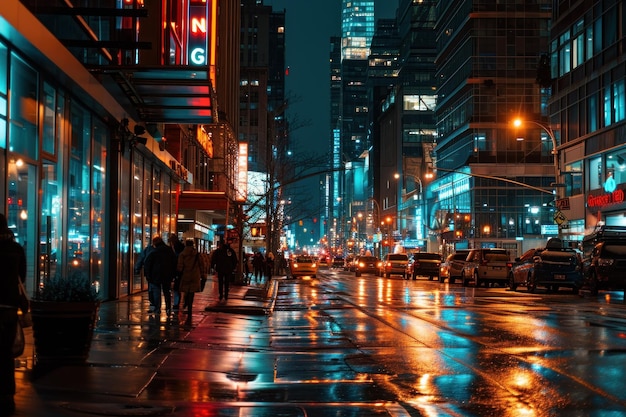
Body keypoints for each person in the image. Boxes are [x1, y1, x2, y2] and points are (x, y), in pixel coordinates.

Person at [0, 213, 27, 416]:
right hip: (8, 307)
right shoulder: (16, 249)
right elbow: (22, 277)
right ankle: (7, 395)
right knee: (6, 354)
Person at [144, 235, 177, 315]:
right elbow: (174, 263)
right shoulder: (169, 250)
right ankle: (168, 308)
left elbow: (147, 263)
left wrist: (148, 275)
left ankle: (157, 309)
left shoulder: (154, 251)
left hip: (155, 275)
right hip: (167, 275)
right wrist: (174, 274)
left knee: (156, 292)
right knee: (167, 292)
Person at [176, 240, 204, 325]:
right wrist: (203, 274)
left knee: (186, 291)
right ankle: (190, 308)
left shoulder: (182, 254)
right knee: (192, 292)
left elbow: (180, 267)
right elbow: (202, 264)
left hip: (185, 275)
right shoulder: (197, 254)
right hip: (195, 275)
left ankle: (185, 304)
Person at [135, 238, 156, 312]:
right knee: (158, 288)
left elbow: (141, 258)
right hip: (159, 272)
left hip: (150, 272)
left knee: (152, 288)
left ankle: (153, 304)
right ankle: (158, 306)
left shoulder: (148, 250)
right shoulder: (164, 250)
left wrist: (137, 268)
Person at [168, 233, 185, 314]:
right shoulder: (180, 247)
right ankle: (177, 304)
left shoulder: (176, 248)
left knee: (176, 288)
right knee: (178, 288)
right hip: (179, 271)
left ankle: (176, 304)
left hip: (177, 270)